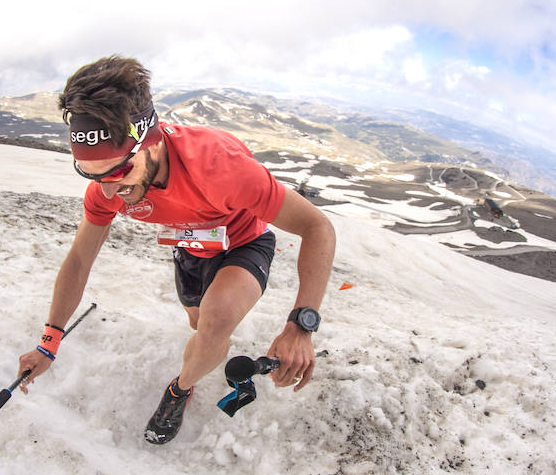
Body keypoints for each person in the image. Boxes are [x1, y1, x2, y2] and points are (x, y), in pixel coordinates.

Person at [17, 56, 335, 445]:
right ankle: (203, 354)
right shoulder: (108, 188)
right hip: (189, 249)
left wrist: (300, 327)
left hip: (244, 242)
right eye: (91, 174)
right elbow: (80, 260)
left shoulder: (220, 167)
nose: (107, 191)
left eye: (119, 172)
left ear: (151, 141)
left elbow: (317, 226)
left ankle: (180, 389)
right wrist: (48, 343)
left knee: (216, 322)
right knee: (201, 328)